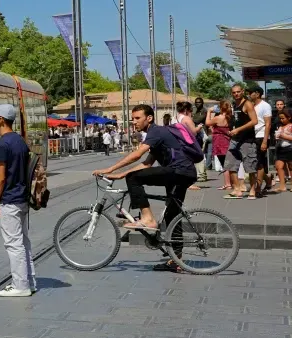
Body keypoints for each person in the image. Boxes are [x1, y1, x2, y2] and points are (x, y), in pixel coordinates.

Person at [94, 104, 198, 271]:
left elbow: (137, 154)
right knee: (173, 215)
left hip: (178, 172)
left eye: (137, 118)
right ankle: (176, 261)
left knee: (134, 178)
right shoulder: (158, 135)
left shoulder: (156, 132)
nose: (134, 122)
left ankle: (148, 219)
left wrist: (110, 169)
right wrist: (122, 174)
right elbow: (147, 163)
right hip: (184, 173)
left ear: (149, 118)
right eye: (132, 118)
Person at [0, 104, 35, 298]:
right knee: (23, 242)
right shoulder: (20, 141)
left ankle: (20, 285)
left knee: (13, 244)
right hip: (22, 198)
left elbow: (0, 177)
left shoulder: (3, 143)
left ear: (1, 119)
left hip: (10, 199)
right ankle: (29, 281)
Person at [224, 85, 259, 199]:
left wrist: (238, 129)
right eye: (234, 92)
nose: (236, 94)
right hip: (235, 139)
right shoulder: (234, 105)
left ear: (242, 92)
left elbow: (254, 121)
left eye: (238, 92)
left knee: (250, 167)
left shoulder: (247, 104)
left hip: (247, 140)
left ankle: (253, 190)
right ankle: (237, 189)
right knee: (230, 164)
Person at [250, 88, 272, 196]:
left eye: (251, 93)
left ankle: (258, 187)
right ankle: (268, 180)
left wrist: (264, 141)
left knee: (259, 162)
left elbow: (268, 124)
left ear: (257, 94)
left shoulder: (265, 105)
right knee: (253, 162)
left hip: (261, 136)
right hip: (252, 136)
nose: (249, 95)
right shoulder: (252, 106)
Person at [208, 99, 234, 187]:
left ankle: (227, 183)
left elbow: (207, 122)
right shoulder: (230, 117)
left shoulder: (218, 118)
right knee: (228, 163)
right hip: (227, 140)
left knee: (224, 163)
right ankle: (231, 182)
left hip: (219, 142)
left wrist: (209, 111)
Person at [272, 109, 292, 193]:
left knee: (291, 167)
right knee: (278, 166)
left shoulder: (291, 126)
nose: (281, 120)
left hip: (290, 148)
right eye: (280, 118)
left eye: (283, 118)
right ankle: (282, 186)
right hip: (280, 148)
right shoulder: (280, 126)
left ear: (289, 118)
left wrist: (284, 136)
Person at [192, 97, 209, 182]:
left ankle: (202, 175)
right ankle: (201, 174)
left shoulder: (204, 111)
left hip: (203, 134)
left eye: (199, 102)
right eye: (196, 102)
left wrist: (190, 120)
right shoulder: (195, 111)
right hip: (197, 134)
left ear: (202, 103)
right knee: (198, 154)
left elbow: (197, 120)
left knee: (201, 154)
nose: (197, 104)